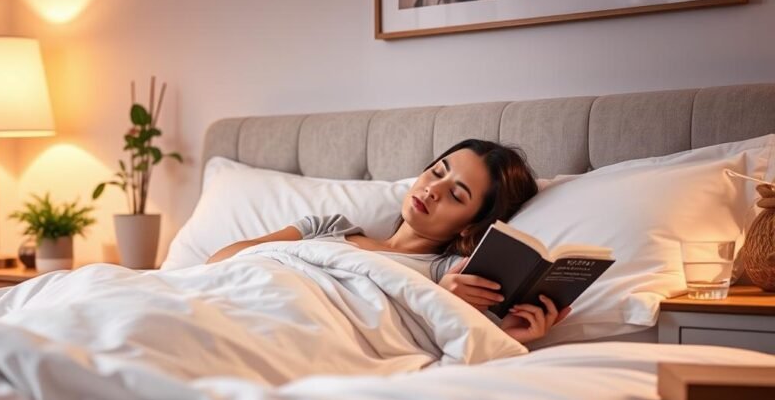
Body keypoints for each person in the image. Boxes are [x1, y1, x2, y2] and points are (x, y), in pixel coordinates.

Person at [207, 139, 570, 344]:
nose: (433, 189)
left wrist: (448, 305)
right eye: (437, 172)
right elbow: (218, 262)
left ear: (469, 226)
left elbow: (444, 343)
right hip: (232, 299)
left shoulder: (447, 278)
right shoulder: (328, 228)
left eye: (456, 195)